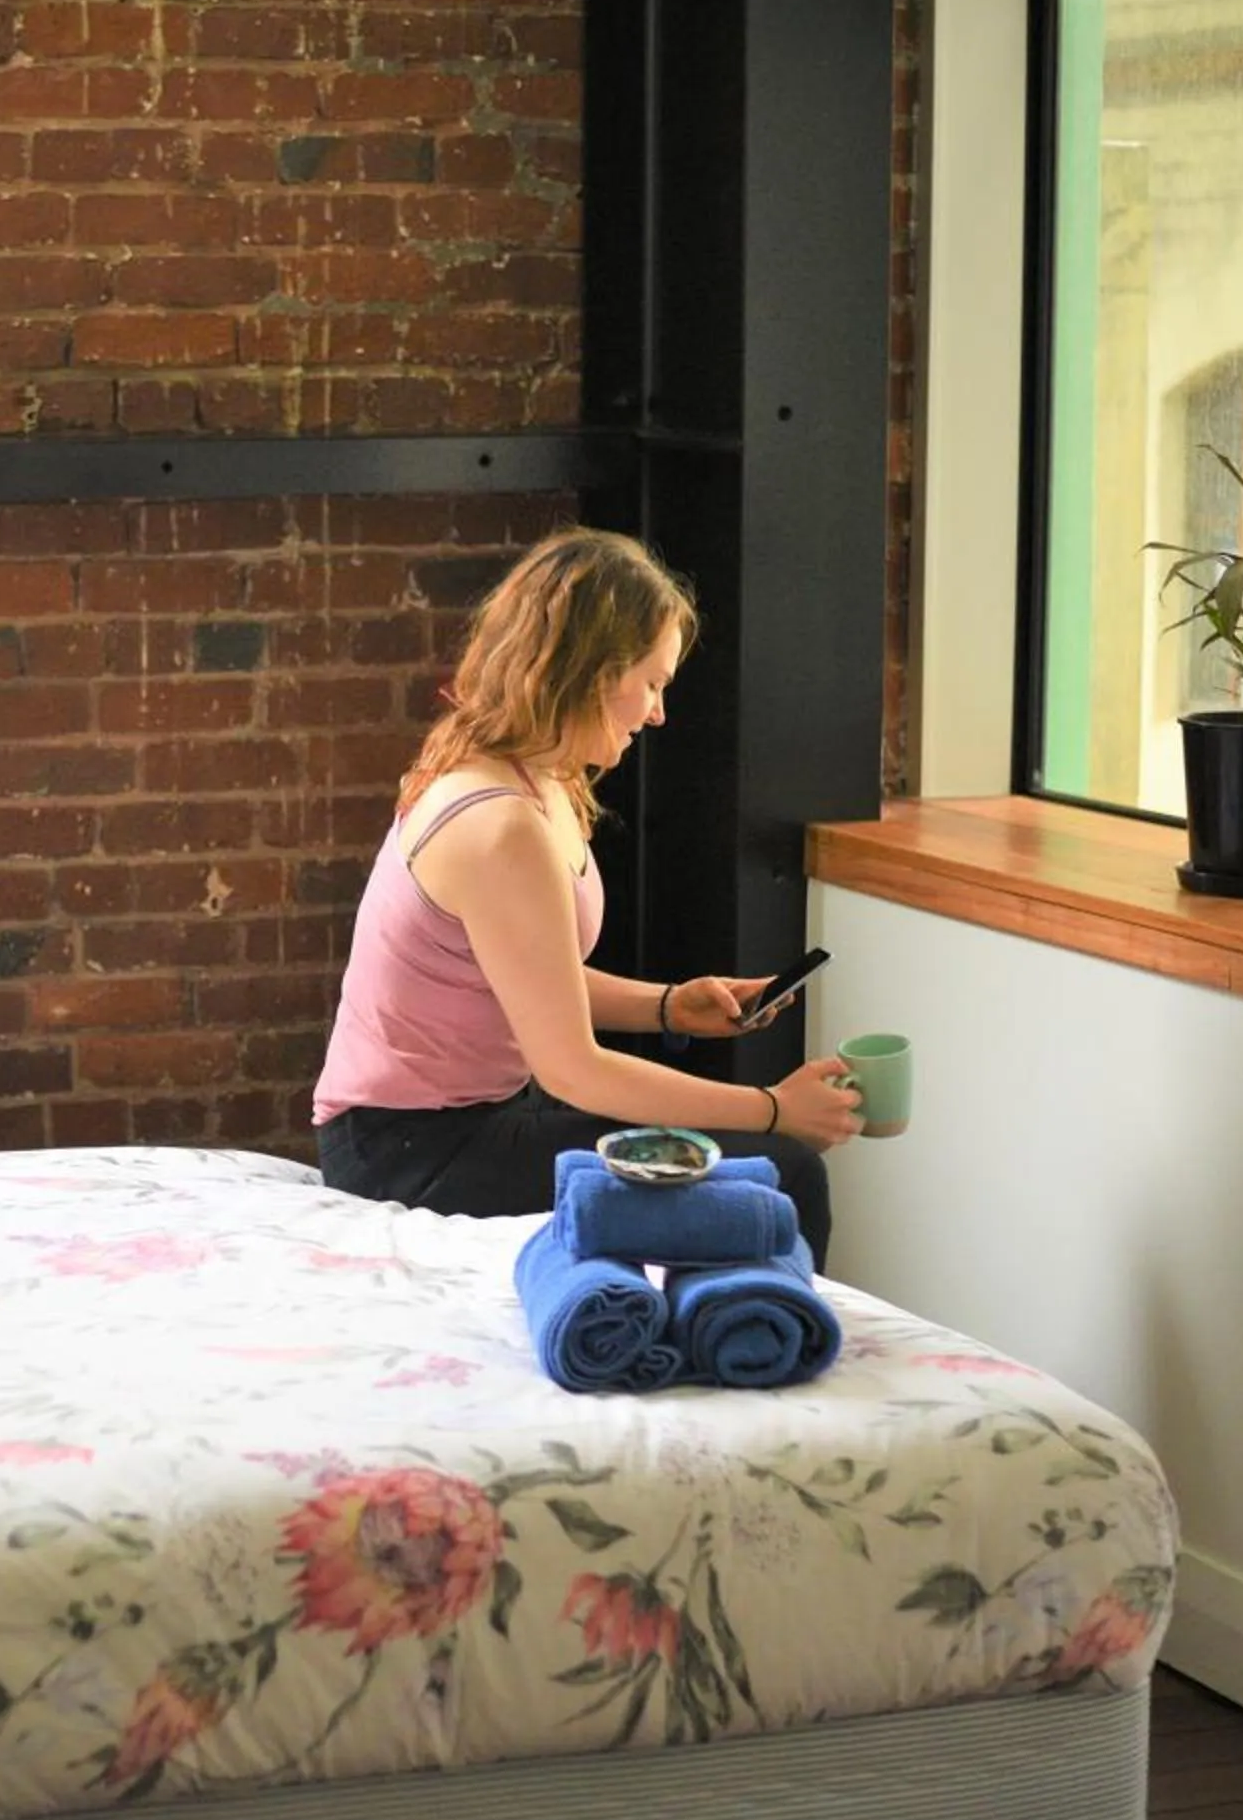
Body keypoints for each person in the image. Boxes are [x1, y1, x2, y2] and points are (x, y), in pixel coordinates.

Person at [312, 526, 860, 1268]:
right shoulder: (500, 825)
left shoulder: (536, 778)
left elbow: (524, 975)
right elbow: (574, 1069)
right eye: (653, 682)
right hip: (410, 1151)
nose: (659, 712)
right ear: (597, 674)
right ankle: (759, 1333)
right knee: (783, 1172)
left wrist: (670, 1006)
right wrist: (775, 1110)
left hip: (471, 1118)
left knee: (759, 1166)